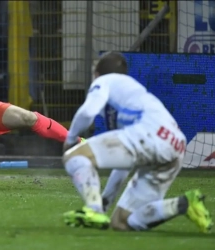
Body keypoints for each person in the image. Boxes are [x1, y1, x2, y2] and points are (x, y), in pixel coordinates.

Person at [61, 51, 213, 233]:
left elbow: (87, 112)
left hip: (148, 134)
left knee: (74, 157)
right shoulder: (132, 94)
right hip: (176, 146)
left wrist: (70, 141)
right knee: (122, 222)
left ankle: (91, 210)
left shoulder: (105, 80)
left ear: (97, 73)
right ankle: (183, 204)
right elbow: (124, 165)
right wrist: (105, 204)